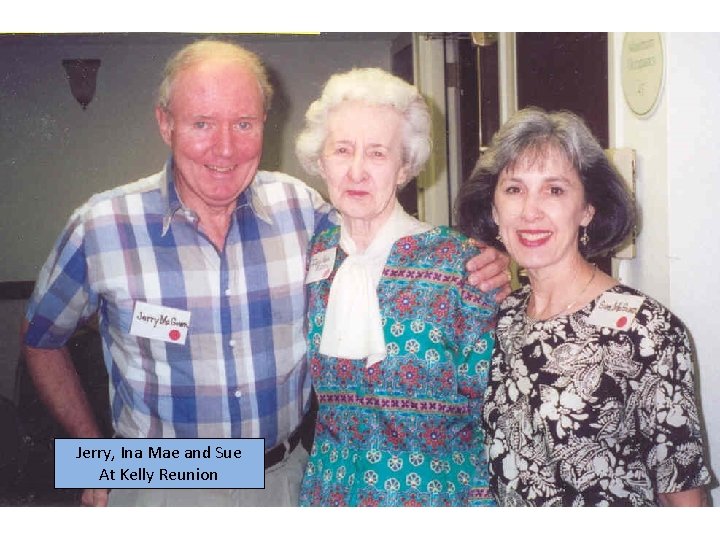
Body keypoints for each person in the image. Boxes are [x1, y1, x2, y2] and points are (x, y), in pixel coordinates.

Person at [21, 40, 511, 507]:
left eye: (243, 123)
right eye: (201, 124)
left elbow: (381, 237)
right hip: (157, 482)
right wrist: (97, 462)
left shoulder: (302, 211)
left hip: (285, 483)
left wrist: (492, 260)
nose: (225, 149)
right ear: (165, 124)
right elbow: (40, 337)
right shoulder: (103, 226)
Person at [456, 107, 713, 506]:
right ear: (493, 209)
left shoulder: (645, 330)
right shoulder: (499, 321)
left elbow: (683, 497)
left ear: (588, 209)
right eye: (514, 189)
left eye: (555, 190)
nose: (530, 211)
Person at [294, 67, 498, 506]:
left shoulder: (461, 264)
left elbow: (499, 414)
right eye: (342, 150)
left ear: (405, 166)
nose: (356, 171)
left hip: (435, 501)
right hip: (330, 498)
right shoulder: (316, 255)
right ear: (320, 161)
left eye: (378, 154)